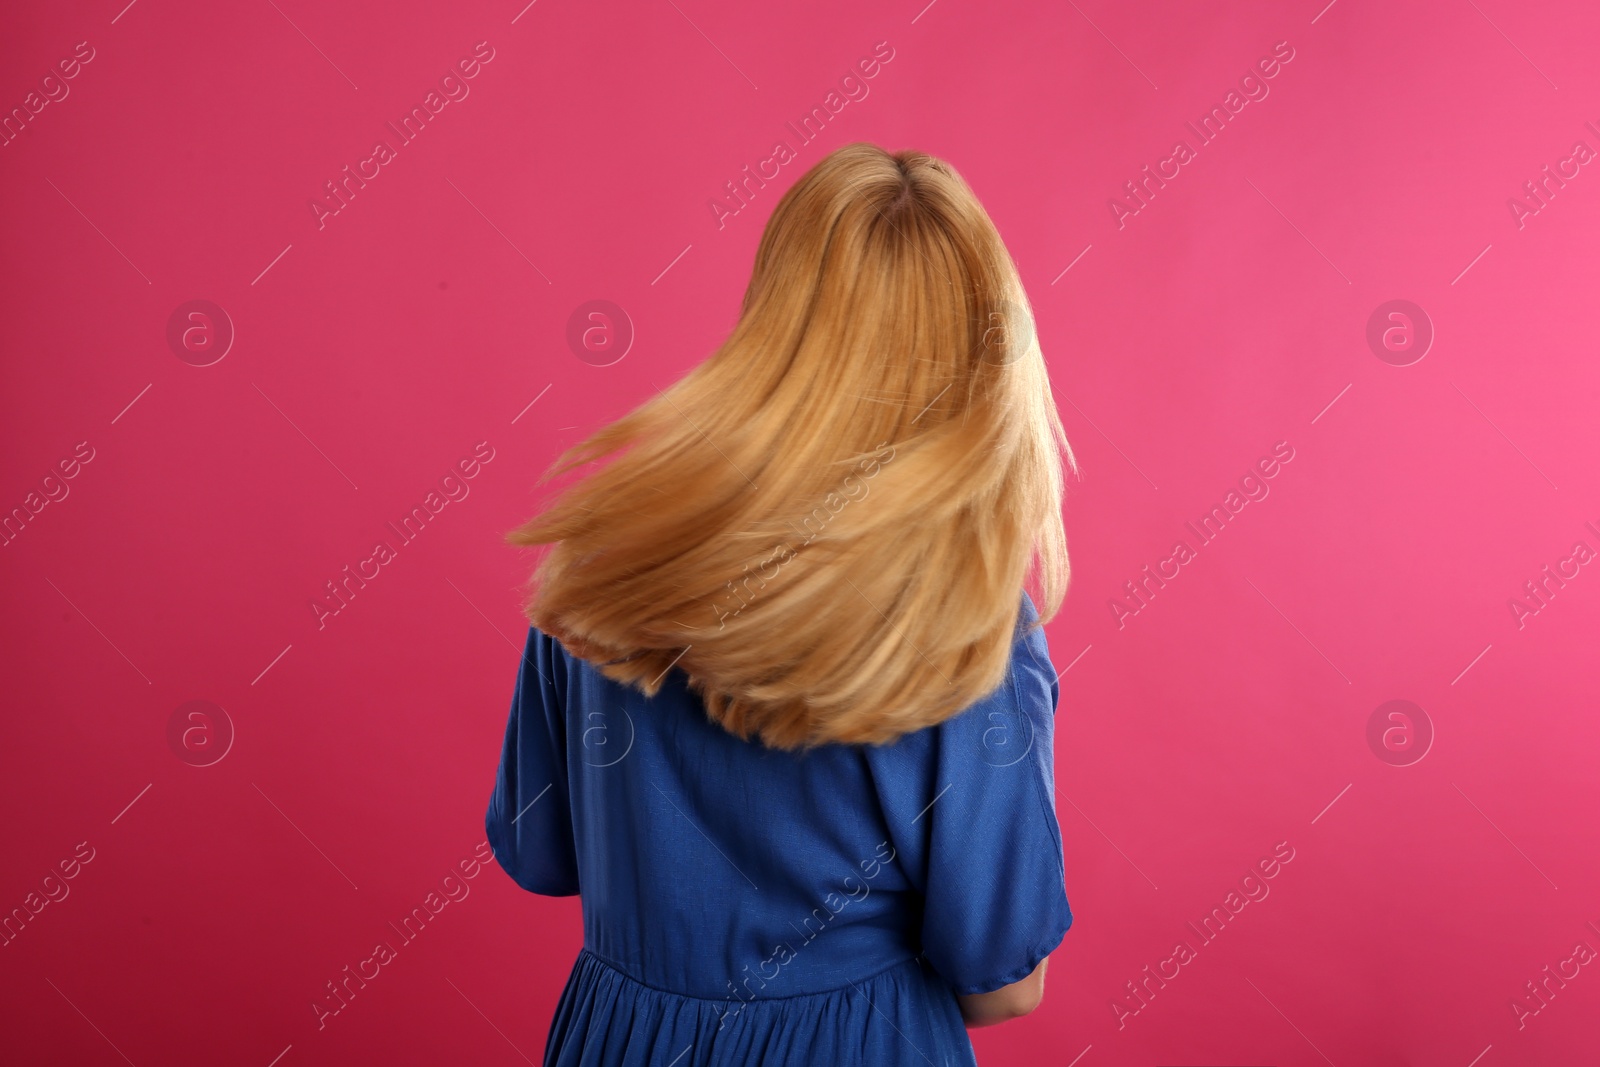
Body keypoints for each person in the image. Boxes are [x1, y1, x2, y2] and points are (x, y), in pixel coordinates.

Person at [485, 142, 1076, 1066]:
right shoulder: (966, 625)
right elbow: (1003, 984)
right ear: (987, 345)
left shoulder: (607, 552)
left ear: (777, 317)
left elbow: (540, 849)